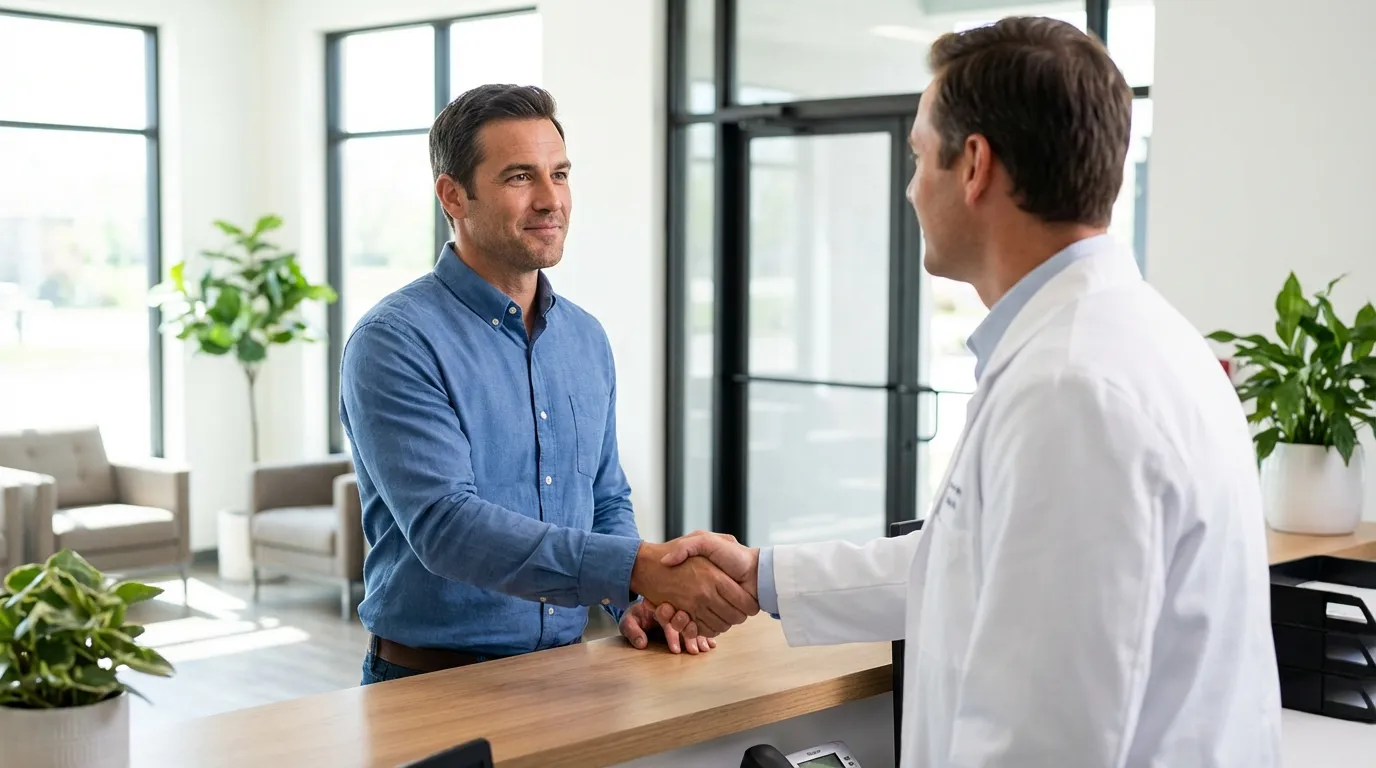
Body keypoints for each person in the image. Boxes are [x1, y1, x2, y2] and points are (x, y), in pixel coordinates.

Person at [660, 17, 1282, 767]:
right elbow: (962, 563)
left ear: (975, 164)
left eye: (920, 155)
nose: (911, 185)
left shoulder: (1072, 389)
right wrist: (764, 577)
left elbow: (1047, 743)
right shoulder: (1135, 342)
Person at [340, 84, 757, 685]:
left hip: (573, 672)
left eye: (559, 174)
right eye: (518, 177)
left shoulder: (585, 338)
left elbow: (605, 497)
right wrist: (639, 568)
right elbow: (446, 526)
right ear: (452, 195)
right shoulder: (395, 339)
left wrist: (634, 602)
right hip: (432, 686)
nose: (549, 199)